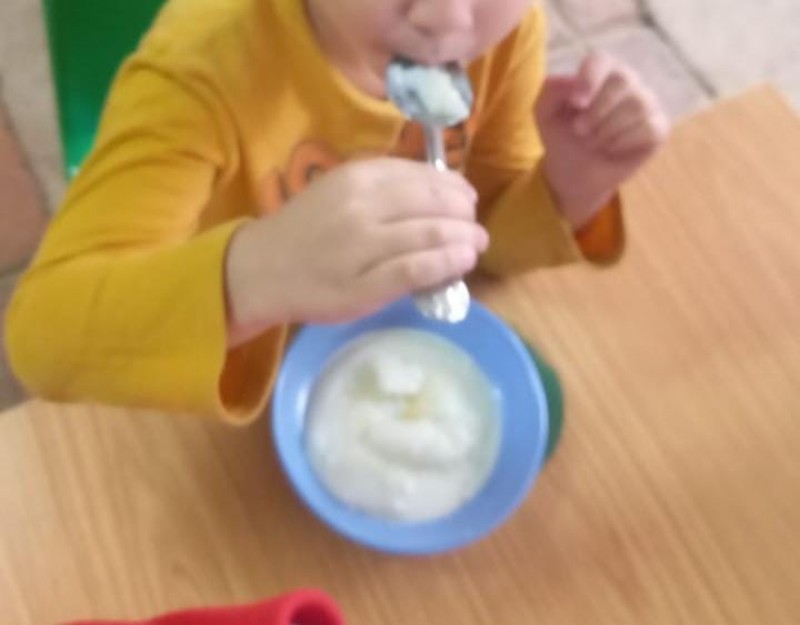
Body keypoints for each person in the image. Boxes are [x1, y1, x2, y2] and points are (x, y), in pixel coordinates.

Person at [5, 0, 669, 422]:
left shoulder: (504, 36)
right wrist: (254, 274)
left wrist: (571, 184)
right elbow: (42, 337)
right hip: (204, 370)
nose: (444, 17)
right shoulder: (199, 73)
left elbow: (483, 241)